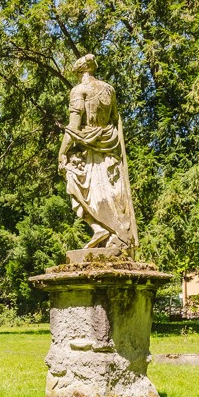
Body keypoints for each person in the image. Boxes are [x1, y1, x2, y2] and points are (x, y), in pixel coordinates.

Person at [57, 54, 137, 251]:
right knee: (112, 194)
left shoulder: (79, 90)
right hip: (110, 149)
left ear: (79, 72)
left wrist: (62, 152)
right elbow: (115, 119)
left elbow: (74, 126)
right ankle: (111, 233)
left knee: (74, 183)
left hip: (91, 152)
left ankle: (101, 229)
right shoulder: (109, 89)